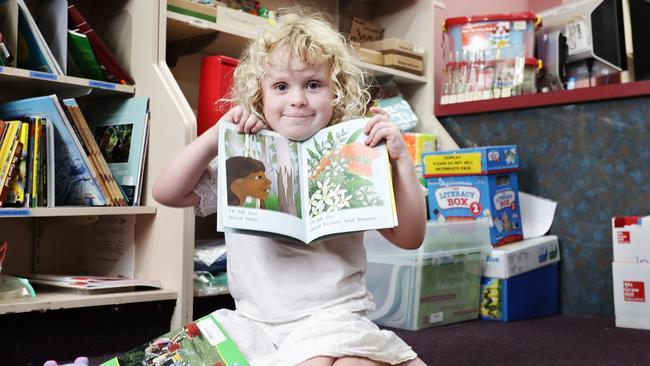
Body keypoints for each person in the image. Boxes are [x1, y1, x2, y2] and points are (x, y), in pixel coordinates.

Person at [153, 8, 427, 366]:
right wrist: (215, 136)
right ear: (260, 95)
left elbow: (410, 238)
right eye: (281, 86)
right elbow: (166, 192)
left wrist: (400, 161)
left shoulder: (356, 157)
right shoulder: (243, 158)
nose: (297, 99)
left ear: (337, 94)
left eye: (313, 85)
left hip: (333, 317)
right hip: (255, 323)